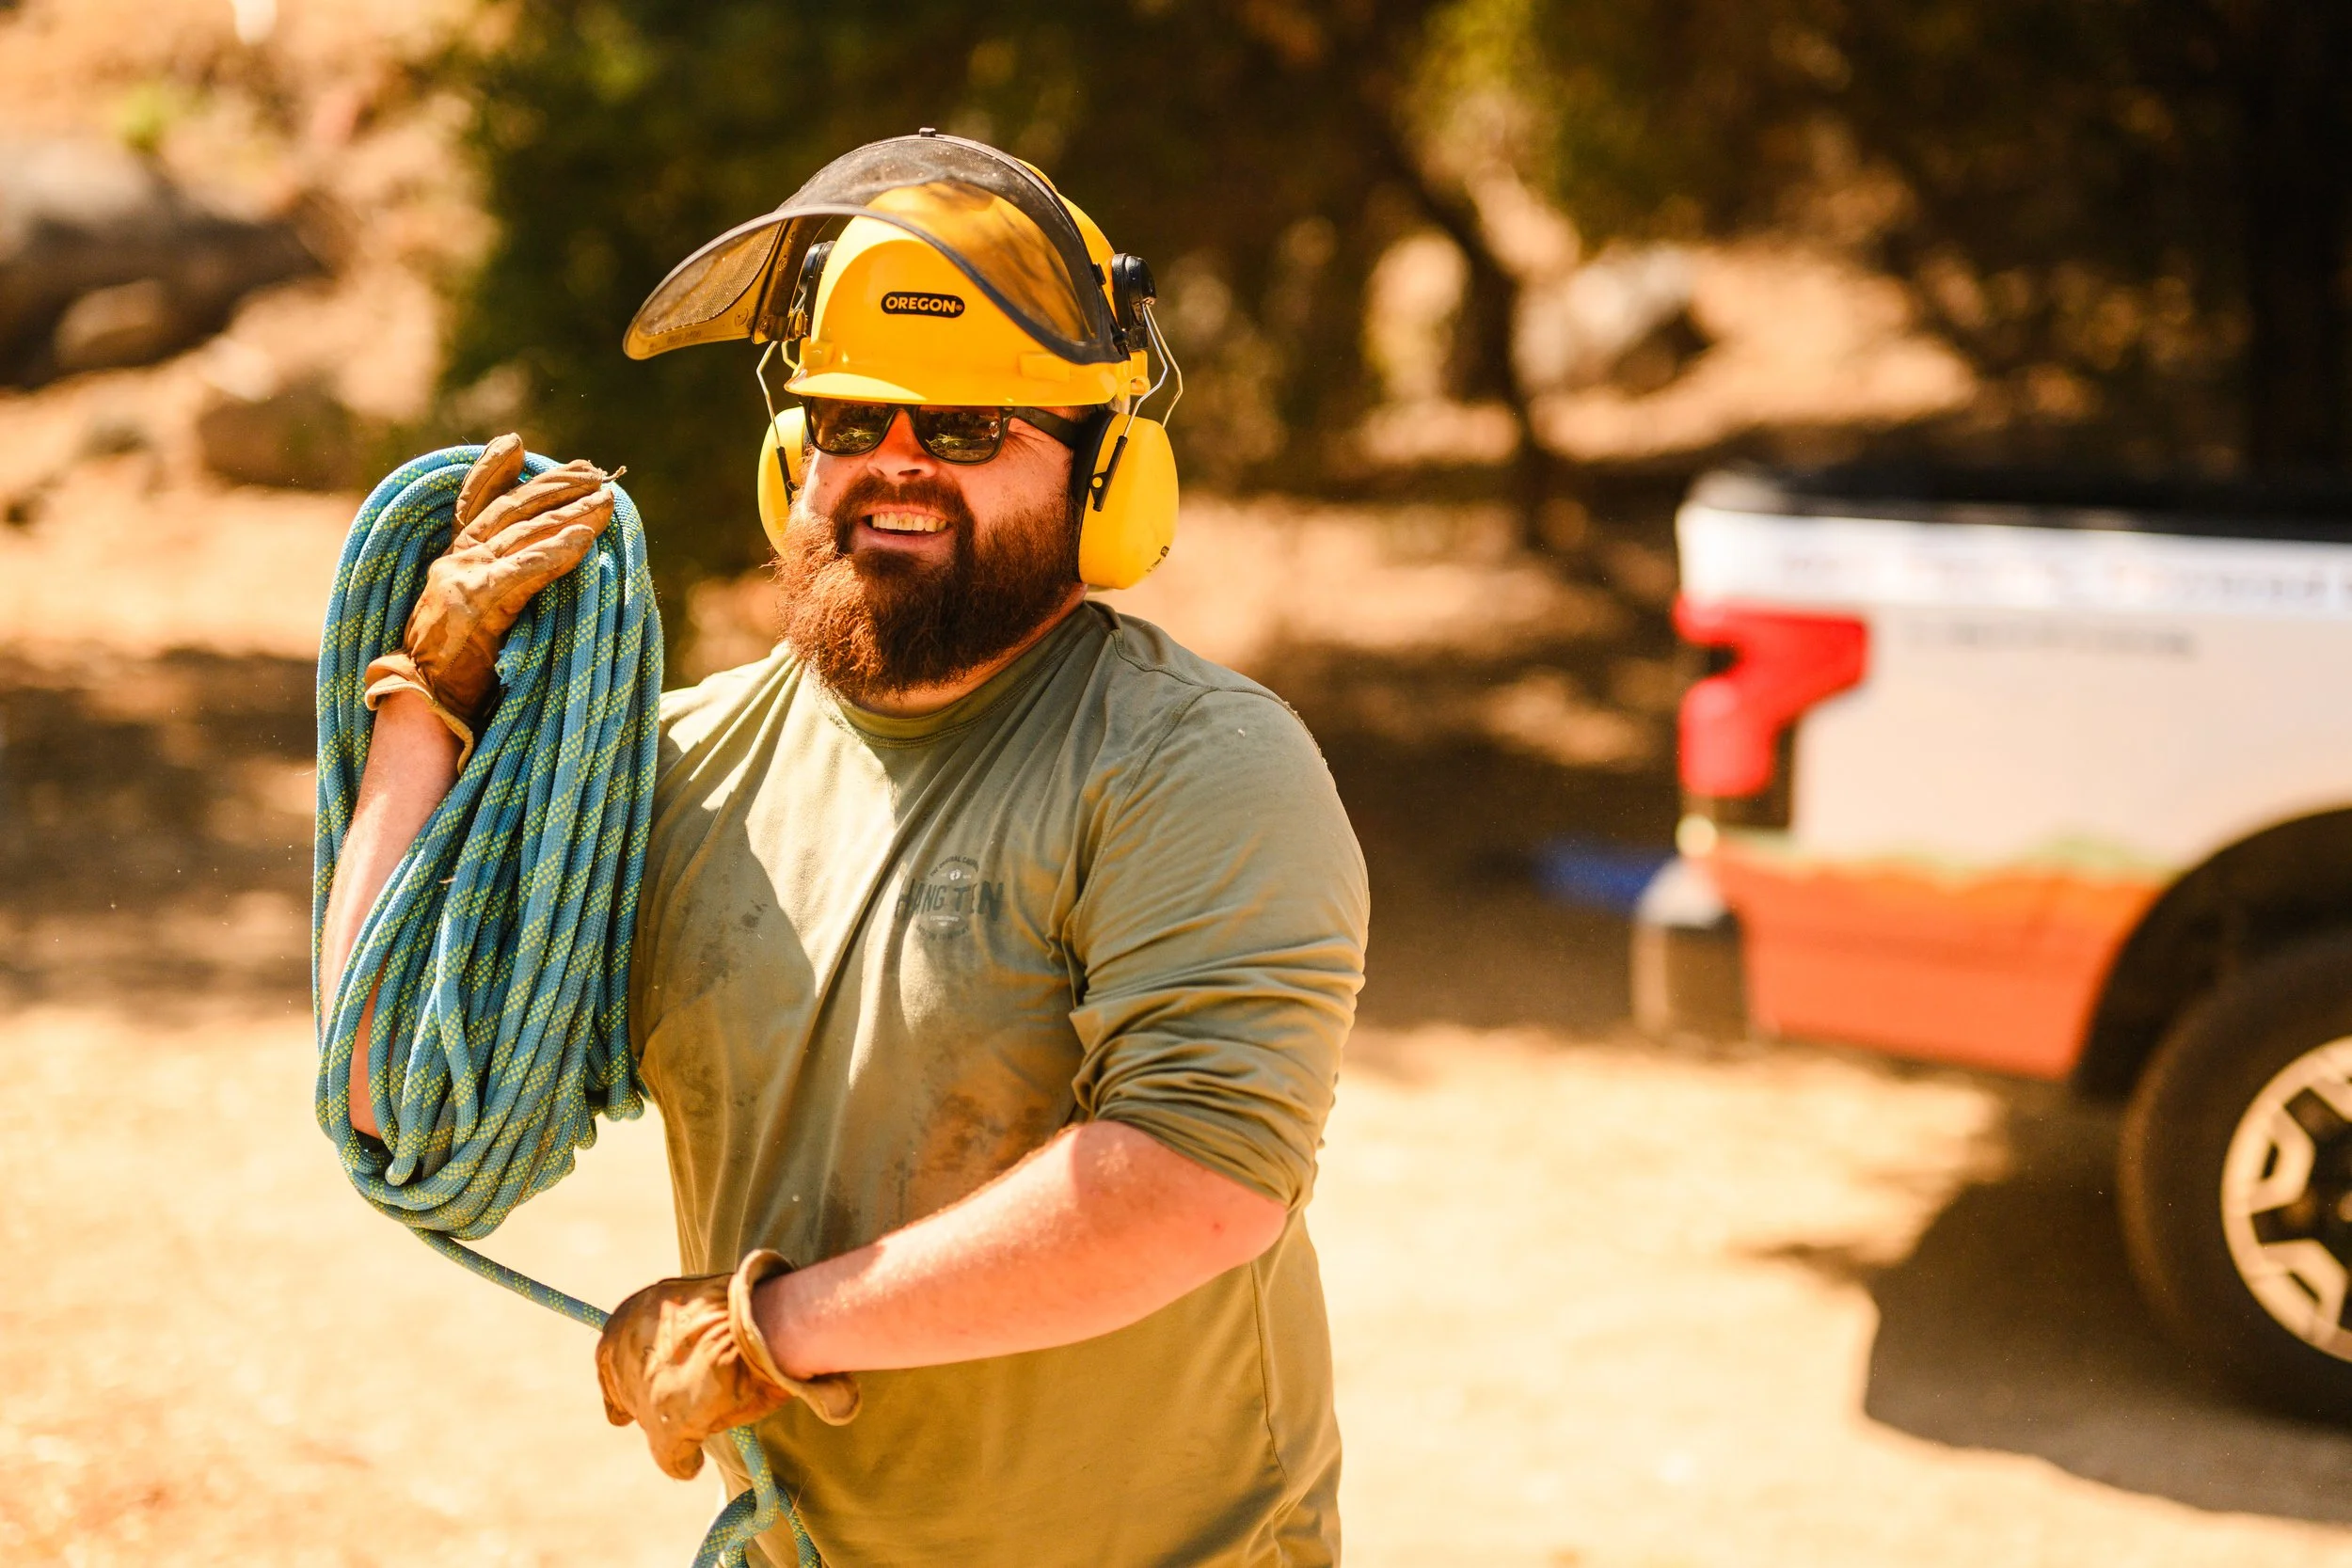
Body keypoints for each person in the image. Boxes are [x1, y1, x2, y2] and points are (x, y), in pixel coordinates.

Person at [318, 135, 1369, 1567]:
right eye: (848, 420)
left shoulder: (1195, 763)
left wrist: (772, 1326)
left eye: (966, 430)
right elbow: (388, 1084)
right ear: (787, 453)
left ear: (1106, 471)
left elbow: (1198, 1183)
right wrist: (425, 705)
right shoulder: (676, 773)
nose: (891, 468)